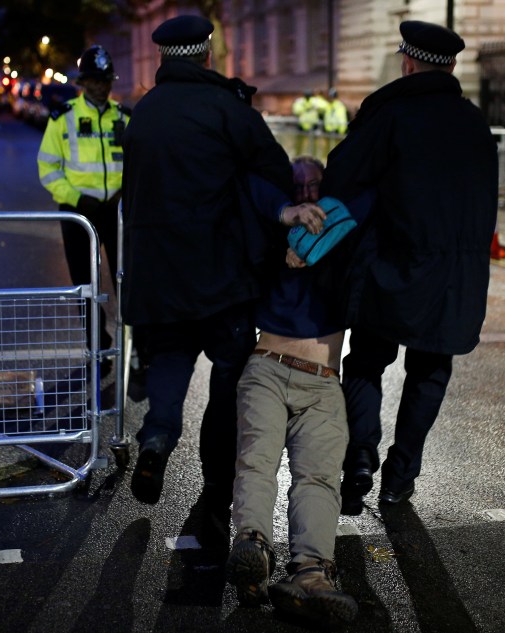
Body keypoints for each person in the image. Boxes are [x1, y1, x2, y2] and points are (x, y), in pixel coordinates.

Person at [120, 15, 323, 545]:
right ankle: (214, 483)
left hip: (158, 278)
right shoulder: (226, 110)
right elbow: (274, 172)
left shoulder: (143, 115)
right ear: (207, 56)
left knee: (168, 362)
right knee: (228, 375)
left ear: (165, 58)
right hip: (219, 278)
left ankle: (157, 441)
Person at [319, 20, 499, 514]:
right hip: (453, 278)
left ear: (409, 62)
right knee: (430, 370)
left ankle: (360, 456)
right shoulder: (473, 122)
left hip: (391, 267)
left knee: (365, 362)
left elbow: (342, 174)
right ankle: (401, 477)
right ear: (452, 66)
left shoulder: (390, 115)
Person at [226, 155, 361, 626]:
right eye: (297, 187)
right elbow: (243, 183)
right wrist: (284, 219)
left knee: (320, 479)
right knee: (257, 460)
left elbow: (372, 201)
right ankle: (253, 548)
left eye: (315, 186)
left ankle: (311, 575)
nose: (307, 195)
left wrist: (317, 238)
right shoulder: (269, 237)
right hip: (267, 367)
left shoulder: (343, 240)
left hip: (323, 384)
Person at [37, 45, 130, 360]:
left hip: (117, 213)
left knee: (128, 282)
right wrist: (76, 198)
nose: (101, 87)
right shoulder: (63, 118)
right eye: (94, 81)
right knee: (86, 286)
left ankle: (135, 349)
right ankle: (98, 348)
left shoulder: (124, 118)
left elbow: (138, 166)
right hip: (79, 214)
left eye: (105, 80)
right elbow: (48, 169)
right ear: (82, 83)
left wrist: (125, 193)